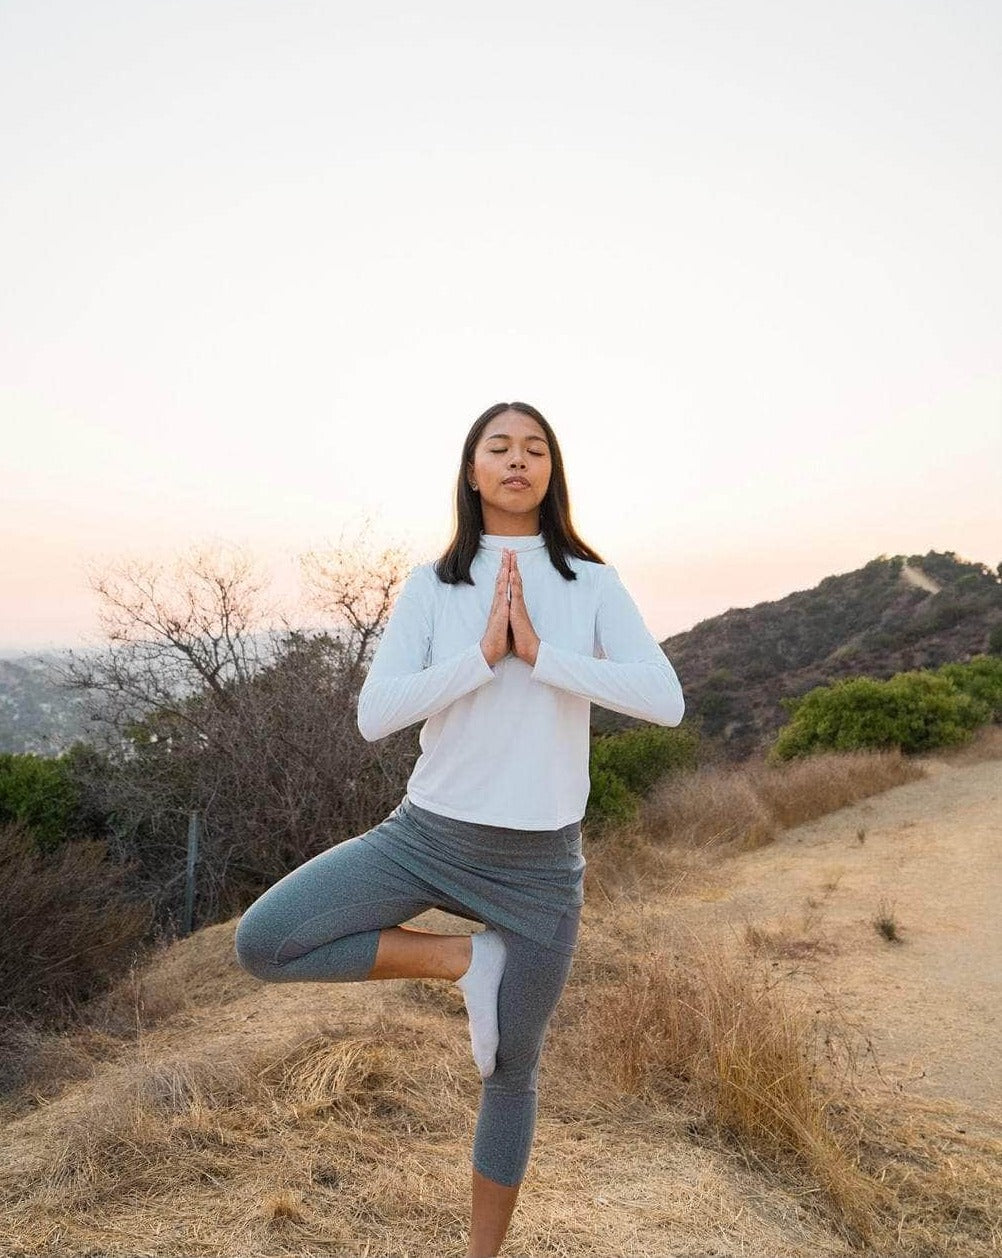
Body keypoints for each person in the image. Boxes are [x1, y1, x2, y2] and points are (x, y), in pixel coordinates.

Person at [234, 401, 685, 1257]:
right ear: (472, 470)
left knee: (509, 1072)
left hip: (540, 870)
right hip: (427, 836)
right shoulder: (430, 585)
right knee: (267, 942)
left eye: (535, 449)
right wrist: (479, 658)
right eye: (498, 447)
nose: (518, 460)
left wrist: (539, 654)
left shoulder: (593, 583)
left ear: (552, 472)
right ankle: (467, 962)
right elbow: (376, 716)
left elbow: (664, 700)